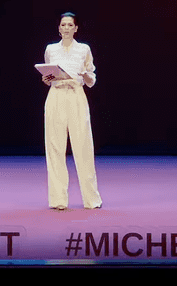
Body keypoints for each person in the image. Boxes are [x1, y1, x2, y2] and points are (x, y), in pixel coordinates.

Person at [42, 12, 103, 210]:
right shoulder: (51, 49)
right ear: (59, 28)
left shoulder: (84, 49)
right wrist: (46, 79)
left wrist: (85, 75)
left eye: (70, 25)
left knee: (83, 146)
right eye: (63, 25)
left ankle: (91, 199)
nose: (66, 28)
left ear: (75, 28)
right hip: (56, 96)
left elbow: (91, 77)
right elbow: (48, 74)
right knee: (55, 147)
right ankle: (58, 199)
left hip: (76, 95)